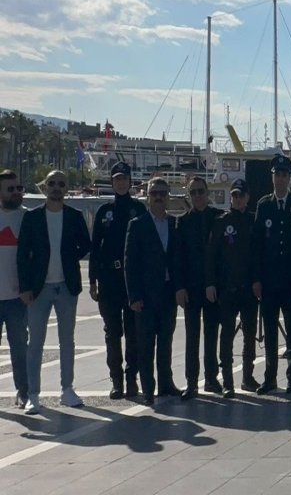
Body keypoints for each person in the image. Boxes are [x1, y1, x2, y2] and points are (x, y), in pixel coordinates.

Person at [18, 170, 92, 414]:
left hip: (67, 287)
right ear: (45, 187)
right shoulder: (32, 217)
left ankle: (67, 389)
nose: (57, 188)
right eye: (52, 184)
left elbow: (85, 245)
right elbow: (22, 255)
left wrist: (69, 258)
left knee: (67, 341)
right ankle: (33, 395)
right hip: (39, 289)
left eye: (61, 184)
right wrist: (25, 287)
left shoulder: (75, 216)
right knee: (35, 342)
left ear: (66, 188)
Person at [124, 177, 183, 406]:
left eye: (163, 193)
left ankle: (166, 384)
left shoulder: (173, 224)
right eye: (154, 193)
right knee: (146, 344)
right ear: (147, 196)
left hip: (168, 293)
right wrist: (134, 296)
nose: (159, 197)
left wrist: (180, 288)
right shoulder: (137, 225)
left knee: (166, 341)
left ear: (168, 196)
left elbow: (178, 260)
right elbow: (130, 263)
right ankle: (148, 388)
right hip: (146, 296)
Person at [89, 161, 145, 399]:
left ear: (130, 182)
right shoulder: (104, 211)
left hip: (131, 281)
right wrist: (92, 281)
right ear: (112, 182)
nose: (121, 182)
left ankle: (132, 377)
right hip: (109, 281)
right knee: (112, 333)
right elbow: (95, 248)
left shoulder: (139, 210)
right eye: (117, 179)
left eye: (124, 178)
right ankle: (116, 380)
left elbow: (147, 248)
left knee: (133, 332)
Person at [252, 155, 291, 394]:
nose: (280, 179)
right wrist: (256, 279)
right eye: (277, 174)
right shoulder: (264, 205)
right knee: (271, 331)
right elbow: (256, 245)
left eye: (284, 175)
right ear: (272, 177)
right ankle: (270, 377)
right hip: (269, 280)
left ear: (289, 178)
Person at [205, 178, 257, 396]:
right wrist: (210, 283)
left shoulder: (254, 221)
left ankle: (247, 376)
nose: (237, 199)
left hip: (248, 289)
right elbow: (211, 256)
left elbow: (259, 255)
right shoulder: (220, 222)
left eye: (241, 195)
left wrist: (258, 281)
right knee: (226, 336)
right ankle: (227, 380)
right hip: (227, 288)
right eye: (234, 195)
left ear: (247, 198)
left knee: (250, 334)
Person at [175, 175, 221, 399]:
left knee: (212, 334)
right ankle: (191, 382)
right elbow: (178, 259)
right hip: (191, 288)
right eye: (193, 192)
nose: (197, 196)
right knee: (192, 336)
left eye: (201, 191)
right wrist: (180, 287)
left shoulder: (218, 218)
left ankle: (211, 378)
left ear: (208, 193)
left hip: (212, 287)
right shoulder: (182, 222)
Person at [0, 170, 30, 408]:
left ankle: (24, 391)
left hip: (18, 298)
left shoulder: (28, 218)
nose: (17, 192)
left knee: (20, 348)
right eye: (11, 189)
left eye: (19, 188)